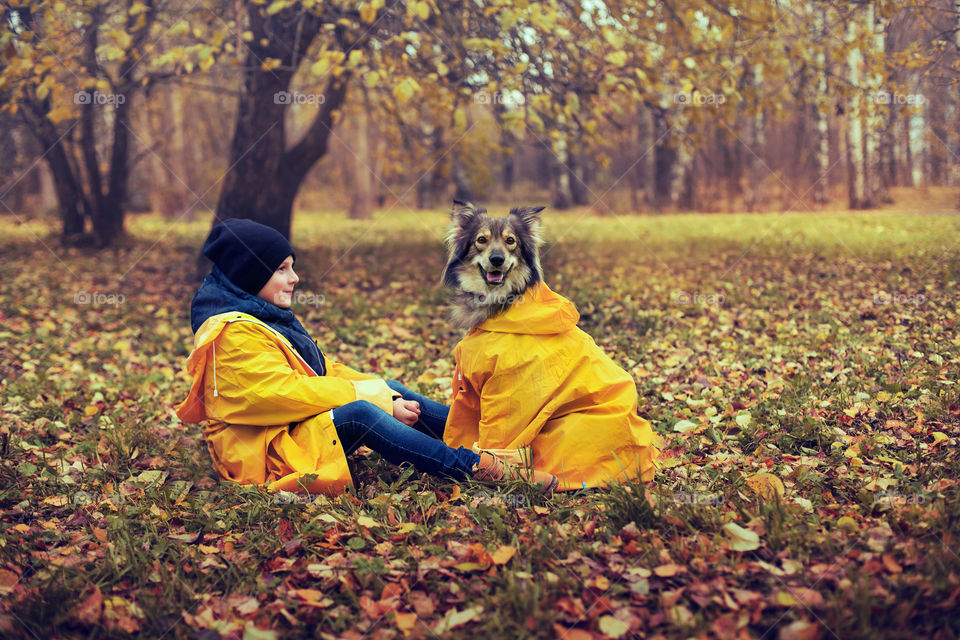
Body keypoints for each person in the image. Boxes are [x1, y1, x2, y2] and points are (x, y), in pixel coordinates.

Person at [175, 218, 558, 495]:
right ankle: (476, 469)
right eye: (281, 270)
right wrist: (369, 398)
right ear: (247, 275)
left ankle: (493, 442)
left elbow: (322, 370)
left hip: (284, 427)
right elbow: (276, 395)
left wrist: (381, 392)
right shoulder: (232, 333)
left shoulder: (261, 316)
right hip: (262, 450)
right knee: (361, 413)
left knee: (386, 391)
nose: (294, 279)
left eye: (292, 268)